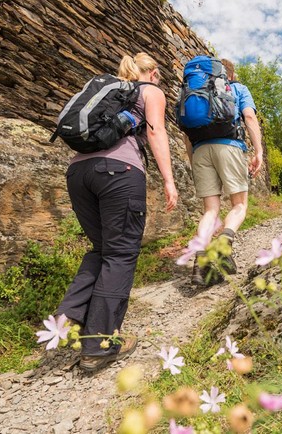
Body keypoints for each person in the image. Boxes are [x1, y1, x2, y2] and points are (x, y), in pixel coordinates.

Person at [56, 53, 178, 372]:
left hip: (78, 174)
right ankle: (98, 344)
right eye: (159, 75)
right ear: (151, 73)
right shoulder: (150, 91)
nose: (160, 81)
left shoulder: (110, 91)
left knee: (101, 250)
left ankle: (67, 318)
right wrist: (168, 180)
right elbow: (156, 133)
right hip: (119, 173)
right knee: (121, 253)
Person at [182, 58, 263, 285]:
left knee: (210, 210)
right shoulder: (237, 89)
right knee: (239, 204)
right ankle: (224, 244)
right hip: (230, 146)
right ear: (231, 74)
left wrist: (193, 159)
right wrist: (259, 151)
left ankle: (200, 263)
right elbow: (249, 117)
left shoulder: (193, 92)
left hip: (199, 149)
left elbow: (185, 132)